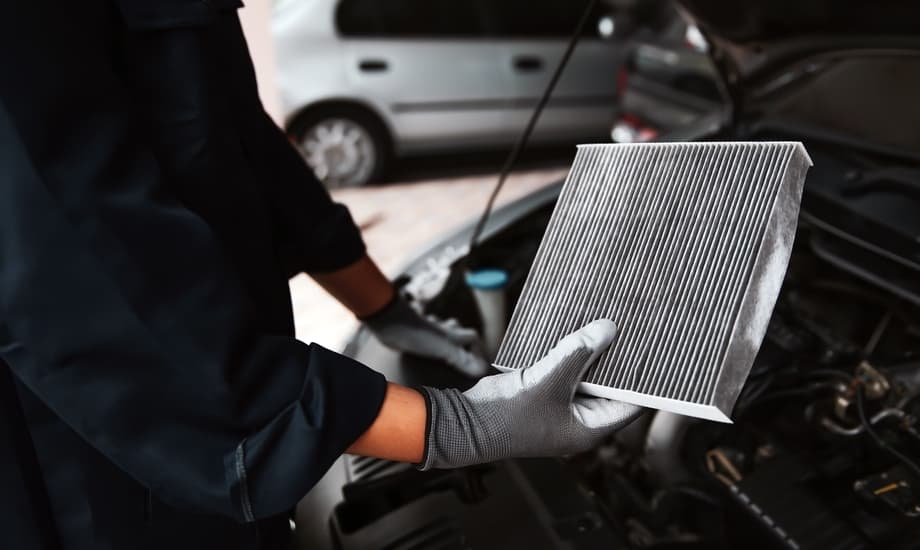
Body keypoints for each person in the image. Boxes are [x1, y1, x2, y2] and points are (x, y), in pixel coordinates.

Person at [0, 2, 642, 549]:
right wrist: (452, 427)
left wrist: (384, 308)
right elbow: (70, 257)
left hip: (216, 428)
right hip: (106, 463)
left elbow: (229, 140)